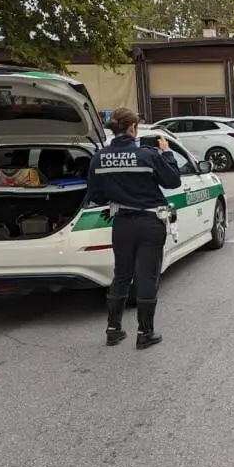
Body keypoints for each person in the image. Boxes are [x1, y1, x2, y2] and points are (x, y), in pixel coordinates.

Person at [86, 108, 182, 349]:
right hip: (150, 222)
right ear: (132, 128)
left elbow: (95, 196)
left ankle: (113, 329)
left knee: (122, 275)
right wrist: (167, 154)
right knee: (147, 275)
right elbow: (173, 181)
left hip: (121, 223)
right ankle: (145, 333)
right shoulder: (147, 155)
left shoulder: (99, 158)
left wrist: (118, 192)